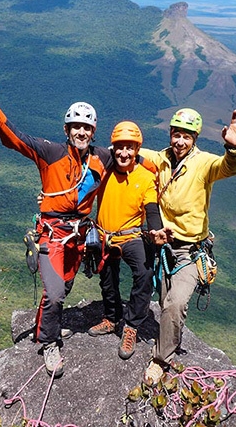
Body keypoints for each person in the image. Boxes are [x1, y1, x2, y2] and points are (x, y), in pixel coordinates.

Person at [0, 83, 112, 378]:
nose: (81, 133)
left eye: (86, 128)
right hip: (52, 234)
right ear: (67, 130)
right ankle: (49, 343)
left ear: (93, 132)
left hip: (79, 237)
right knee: (55, 292)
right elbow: (14, 139)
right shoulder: (50, 152)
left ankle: (47, 324)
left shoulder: (102, 157)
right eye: (76, 127)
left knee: (65, 287)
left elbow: (133, 156)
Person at [140, 107, 236, 383]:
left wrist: (233, 149)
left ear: (195, 138)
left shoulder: (203, 163)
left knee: (175, 303)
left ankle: (161, 360)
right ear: (170, 134)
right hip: (163, 246)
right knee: (165, 301)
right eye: (177, 135)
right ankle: (167, 337)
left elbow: (227, 167)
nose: (180, 141)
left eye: (186, 137)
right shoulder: (161, 158)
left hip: (190, 250)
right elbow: (129, 152)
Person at [87, 121, 163, 361]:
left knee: (144, 273)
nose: (124, 153)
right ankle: (111, 318)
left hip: (131, 236)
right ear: (113, 148)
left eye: (129, 147)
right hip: (104, 236)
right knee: (108, 280)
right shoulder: (104, 170)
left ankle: (131, 326)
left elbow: (151, 208)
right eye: (119, 147)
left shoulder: (145, 177)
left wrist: (156, 230)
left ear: (137, 149)